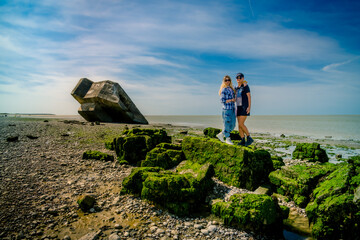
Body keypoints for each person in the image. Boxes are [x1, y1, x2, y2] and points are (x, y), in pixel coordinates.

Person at [235, 73, 253, 146]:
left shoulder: (245, 86)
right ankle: (242, 140)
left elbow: (249, 97)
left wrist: (249, 107)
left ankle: (249, 138)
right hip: (238, 108)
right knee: (239, 125)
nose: (238, 79)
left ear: (242, 78)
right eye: (237, 78)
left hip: (244, 107)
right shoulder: (236, 88)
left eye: (240, 77)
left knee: (241, 124)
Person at [217, 75, 236, 145]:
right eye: (226, 80)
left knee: (233, 125)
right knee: (227, 124)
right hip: (226, 109)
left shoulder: (231, 89)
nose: (227, 81)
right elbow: (222, 100)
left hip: (233, 109)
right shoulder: (224, 89)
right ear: (224, 81)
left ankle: (221, 134)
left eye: (229, 80)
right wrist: (231, 100)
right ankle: (227, 139)